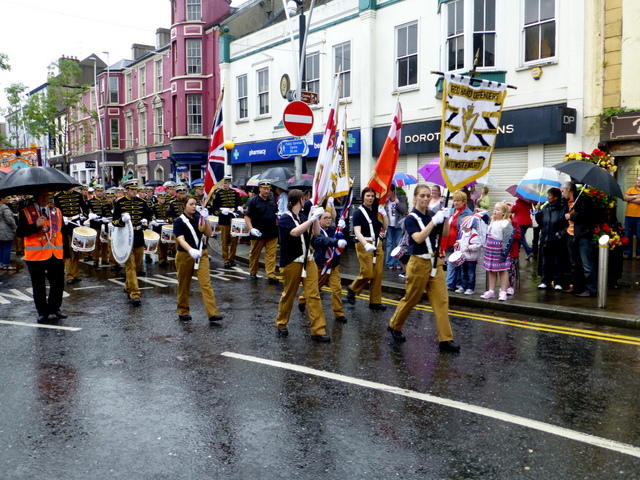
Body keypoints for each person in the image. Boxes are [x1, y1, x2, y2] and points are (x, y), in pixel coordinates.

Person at [386, 184, 460, 353]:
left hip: (435, 262)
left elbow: (446, 234)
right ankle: (394, 325)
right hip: (418, 263)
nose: (426, 198)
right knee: (411, 299)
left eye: (428, 196)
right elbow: (418, 238)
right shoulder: (411, 218)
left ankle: (446, 339)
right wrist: (433, 222)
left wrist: (446, 218)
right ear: (415, 198)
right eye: (422, 196)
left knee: (441, 301)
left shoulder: (433, 214)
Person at [275, 189, 329, 341]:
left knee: (313, 294)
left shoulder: (304, 217)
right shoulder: (285, 218)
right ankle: (281, 323)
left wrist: (316, 218)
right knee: (289, 294)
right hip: (292, 262)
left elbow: (316, 233)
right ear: (299, 201)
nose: (305, 201)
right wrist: (311, 220)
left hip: (308, 260)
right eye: (304, 199)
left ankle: (318, 330)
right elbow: (294, 233)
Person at [16, 187, 67, 323]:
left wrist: (66, 252)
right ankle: (42, 311)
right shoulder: (25, 212)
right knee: (38, 285)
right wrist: (35, 225)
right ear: (36, 197)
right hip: (36, 255)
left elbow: (63, 232)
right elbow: (20, 233)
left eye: (47, 195)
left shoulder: (56, 211)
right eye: (43, 196)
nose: (46, 198)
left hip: (55, 253)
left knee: (58, 283)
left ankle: (55, 307)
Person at [174, 195, 223, 322]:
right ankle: (183, 311)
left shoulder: (198, 218)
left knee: (206, 283)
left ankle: (213, 313)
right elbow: (180, 239)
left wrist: (206, 219)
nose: (194, 206)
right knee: (184, 284)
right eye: (191, 204)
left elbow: (208, 234)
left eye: (195, 204)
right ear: (184, 205)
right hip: (185, 255)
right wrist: (190, 250)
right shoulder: (179, 221)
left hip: (202, 253)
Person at [298, 208, 349, 323]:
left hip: (333, 264)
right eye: (325, 218)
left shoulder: (334, 229)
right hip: (320, 265)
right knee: (314, 289)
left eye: (330, 218)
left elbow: (345, 242)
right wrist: (335, 242)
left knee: (337, 289)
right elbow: (321, 241)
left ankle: (339, 313)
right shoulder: (315, 231)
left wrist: (343, 230)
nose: (328, 220)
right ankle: (302, 299)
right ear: (319, 220)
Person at [346, 186, 389, 311]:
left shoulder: (376, 210)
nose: (370, 198)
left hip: (377, 244)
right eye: (368, 196)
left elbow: (385, 226)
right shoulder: (358, 212)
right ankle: (353, 288)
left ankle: (375, 302)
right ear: (363, 197)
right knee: (368, 272)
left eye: (372, 196)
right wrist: (365, 244)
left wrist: (384, 214)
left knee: (377, 275)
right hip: (364, 243)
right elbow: (357, 231)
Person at [112, 179, 153, 306]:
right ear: (127, 190)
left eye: (136, 190)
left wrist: (146, 221)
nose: (135, 192)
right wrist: (122, 220)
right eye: (132, 190)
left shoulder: (142, 202)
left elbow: (149, 215)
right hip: (126, 236)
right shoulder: (119, 202)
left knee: (138, 265)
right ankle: (135, 293)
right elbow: (114, 222)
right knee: (131, 266)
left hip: (139, 235)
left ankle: (128, 285)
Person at [561, 182, 598, 297]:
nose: (562, 193)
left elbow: (586, 215)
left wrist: (572, 216)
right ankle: (577, 287)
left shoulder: (583, 199)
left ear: (568, 189)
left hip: (582, 235)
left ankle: (591, 289)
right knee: (574, 263)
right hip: (571, 235)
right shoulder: (565, 202)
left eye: (563, 191)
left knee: (586, 264)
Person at [244, 180, 279, 284]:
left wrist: (279, 215)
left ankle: (271, 274)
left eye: (268, 189)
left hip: (272, 232)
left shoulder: (272, 199)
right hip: (258, 232)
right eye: (264, 189)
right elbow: (247, 215)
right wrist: (251, 228)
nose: (267, 191)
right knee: (255, 254)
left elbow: (275, 211)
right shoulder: (252, 201)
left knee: (271, 255)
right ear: (259, 189)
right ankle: (253, 272)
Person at [535, 187, 568, 290]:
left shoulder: (563, 209)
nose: (548, 197)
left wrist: (559, 235)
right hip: (546, 238)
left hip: (557, 240)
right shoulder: (545, 208)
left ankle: (558, 282)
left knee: (558, 261)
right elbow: (540, 222)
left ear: (556, 197)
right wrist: (538, 211)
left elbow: (566, 225)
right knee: (546, 261)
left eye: (550, 195)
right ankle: (545, 281)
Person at [54, 186, 88, 284]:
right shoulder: (58, 196)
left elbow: (84, 207)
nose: (70, 189)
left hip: (76, 224)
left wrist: (84, 216)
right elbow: (56, 211)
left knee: (76, 250)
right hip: (65, 225)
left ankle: (76, 273)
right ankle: (69, 275)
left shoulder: (78, 195)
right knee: (68, 250)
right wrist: (61, 219)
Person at [480, 202, 513, 301]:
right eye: (494, 209)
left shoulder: (506, 223)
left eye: (498, 209)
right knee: (491, 270)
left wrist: (504, 253)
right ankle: (491, 290)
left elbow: (508, 239)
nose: (495, 211)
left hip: (500, 250)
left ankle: (503, 291)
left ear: (504, 213)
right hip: (490, 251)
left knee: (503, 271)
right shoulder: (492, 222)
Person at [441, 190, 473, 290]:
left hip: (459, 242)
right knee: (454, 263)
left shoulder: (467, 213)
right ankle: (457, 283)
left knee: (453, 263)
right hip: (449, 241)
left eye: (458, 201)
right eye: (454, 200)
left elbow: (467, 228)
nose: (456, 203)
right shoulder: (451, 211)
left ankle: (449, 284)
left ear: (464, 201)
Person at [211, 175, 242, 268]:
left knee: (234, 239)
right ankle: (225, 259)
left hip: (233, 217)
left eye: (226, 182)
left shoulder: (234, 192)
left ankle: (232, 258)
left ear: (229, 183)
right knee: (224, 240)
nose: (225, 184)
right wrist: (220, 211)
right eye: (223, 182)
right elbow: (214, 208)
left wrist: (239, 207)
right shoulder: (218, 193)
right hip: (223, 218)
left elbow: (237, 204)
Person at [454, 216, 482, 295]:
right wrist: (458, 242)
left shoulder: (474, 234)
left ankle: (470, 288)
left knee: (471, 274)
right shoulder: (463, 233)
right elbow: (462, 241)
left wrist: (470, 248)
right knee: (463, 273)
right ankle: (464, 286)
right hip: (464, 257)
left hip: (471, 258)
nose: (461, 226)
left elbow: (478, 244)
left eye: (463, 224)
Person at [86, 185, 111, 269]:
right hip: (95, 224)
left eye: (101, 191)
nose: (100, 193)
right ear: (95, 192)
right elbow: (87, 212)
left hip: (104, 224)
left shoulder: (106, 200)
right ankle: (95, 260)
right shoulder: (90, 201)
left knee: (105, 242)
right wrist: (90, 215)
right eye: (98, 191)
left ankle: (104, 259)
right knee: (96, 243)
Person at [384, 184, 407, 270]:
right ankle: (389, 263)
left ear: (393, 191)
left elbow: (404, 210)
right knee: (389, 244)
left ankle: (398, 263)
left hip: (398, 225)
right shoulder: (386, 200)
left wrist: (398, 203)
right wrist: (384, 203)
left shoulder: (401, 198)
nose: (387, 193)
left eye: (389, 191)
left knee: (398, 244)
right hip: (389, 225)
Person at [151, 191, 173, 267]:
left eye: (164, 198)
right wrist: (155, 220)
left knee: (166, 242)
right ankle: (161, 259)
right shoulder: (154, 206)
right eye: (161, 198)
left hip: (166, 226)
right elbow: (153, 215)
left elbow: (170, 214)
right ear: (157, 198)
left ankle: (165, 258)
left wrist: (169, 220)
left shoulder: (168, 205)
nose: (163, 200)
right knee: (160, 243)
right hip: (158, 227)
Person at [622, 176, 640, 259]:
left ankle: (638, 254)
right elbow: (624, 197)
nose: (638, 181)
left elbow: (628, 198)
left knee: (639, 236)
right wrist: (636, 197)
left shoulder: (631, 192)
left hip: (639, 217)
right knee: (627, 235)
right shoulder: (631, 189)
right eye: (637, 180)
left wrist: (630, 198)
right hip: (629, 216)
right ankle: (627, 253)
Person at [0, 195, 18, 270]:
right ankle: (6, 264)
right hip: (6, 231)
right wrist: (15, 227)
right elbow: (10, 220)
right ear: (1, 198)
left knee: (1, 248)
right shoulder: (4, 207)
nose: (8, 200)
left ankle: (1, 263)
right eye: (6, 198)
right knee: (7, 248)